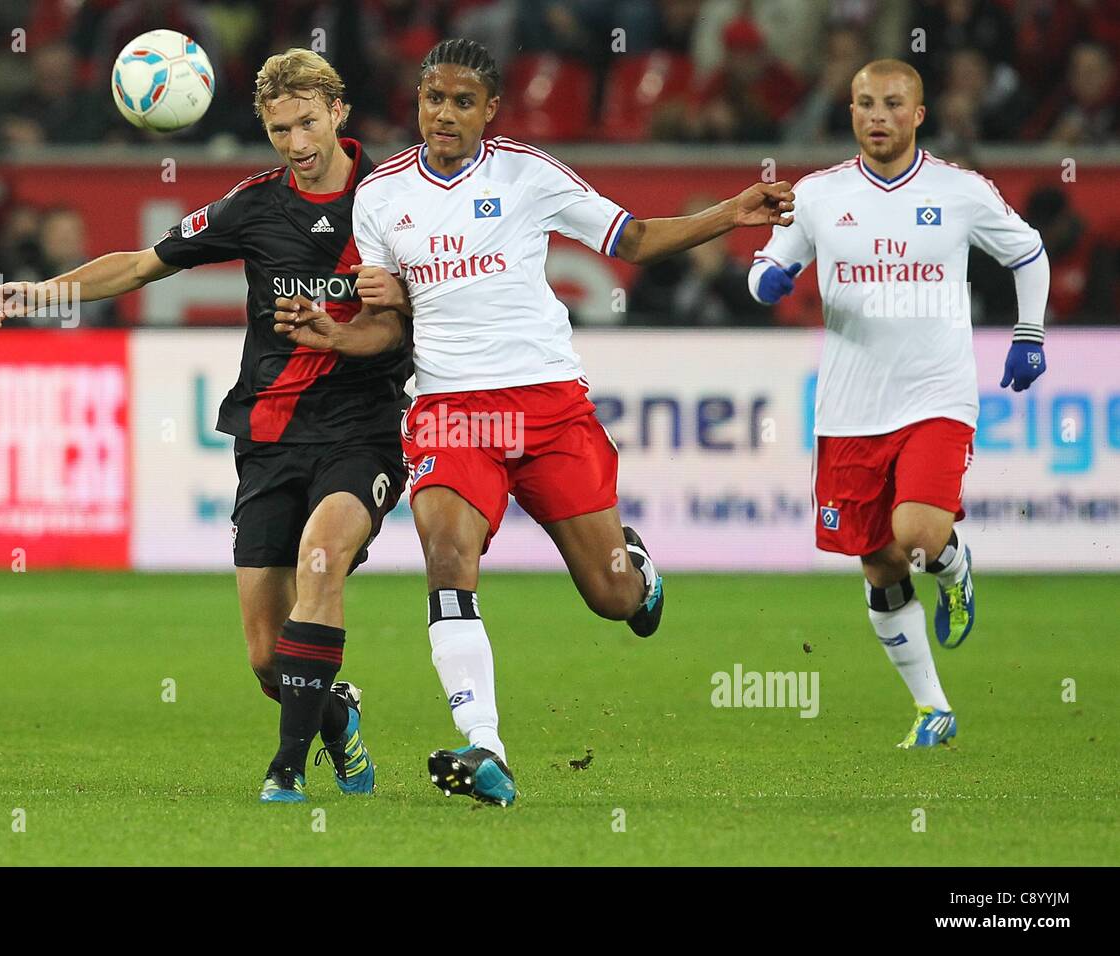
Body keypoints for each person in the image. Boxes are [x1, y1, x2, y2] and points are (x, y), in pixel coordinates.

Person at [275, 38, 793, 805]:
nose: (442, 114)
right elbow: (394, 324)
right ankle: (486, 747)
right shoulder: (381, 196)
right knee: (446, 556)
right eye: (430, 98)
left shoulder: (529, 174)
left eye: (460, 101)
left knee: (612, 596)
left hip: (549, 405)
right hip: (450, 408)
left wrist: (733, 213)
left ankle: (636, 569)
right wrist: (343, 334)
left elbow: (634, 239)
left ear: (490, 110)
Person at [0, 49, 413, 803]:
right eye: (280, 129)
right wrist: (43, 294)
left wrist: (390, 308)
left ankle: (284, 772)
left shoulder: (395, 203)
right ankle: (334, 715)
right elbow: (143, 265)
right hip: (271, 437)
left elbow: (432, 305)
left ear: (339, 112)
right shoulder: (252, 206)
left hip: (362, 431)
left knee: (321, 560)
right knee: (265, 659)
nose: (297, 143)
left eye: (308, 122)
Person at [748, 59, 1049, 748]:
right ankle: (932, 708)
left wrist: (1028, 334)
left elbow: (1029, 254)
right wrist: (766, 280)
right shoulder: (819, 195)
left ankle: (952, 565)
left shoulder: (961, 191)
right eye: (862, 102)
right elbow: (770, 260)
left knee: (915, 533)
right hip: (850, 409)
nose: (876, 115)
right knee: (879, 562)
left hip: (936, 396)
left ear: (918, 115)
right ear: (850, 112)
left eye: (891, 103)